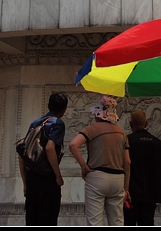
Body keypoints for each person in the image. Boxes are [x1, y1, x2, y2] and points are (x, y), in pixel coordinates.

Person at [69, 95, 131, 226]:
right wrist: (126, 188)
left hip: (97, 177)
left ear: (99, 114)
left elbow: (73, 145)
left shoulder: (91, 129)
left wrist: (83, 166)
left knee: (95, 222)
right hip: (118, 178)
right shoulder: (121, 133)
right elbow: (127, 162)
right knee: (117, 221)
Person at [19, 92, 68, 227]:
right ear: (64, 109)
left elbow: (22, 153)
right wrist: (58, 176)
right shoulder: (57, 123)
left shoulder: (35, 123)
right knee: (48, 219)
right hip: (47, 178)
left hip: (32, 177)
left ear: (48, 106)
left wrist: (25, 183)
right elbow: (50, 148)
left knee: (32, 219)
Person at [124, 110, 161, 226]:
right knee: (147, 222)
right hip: (151, 193)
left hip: (131, 192)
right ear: (146, 124)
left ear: (131, 124)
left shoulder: (126, 142)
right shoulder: (158, 143)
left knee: (128, 222)